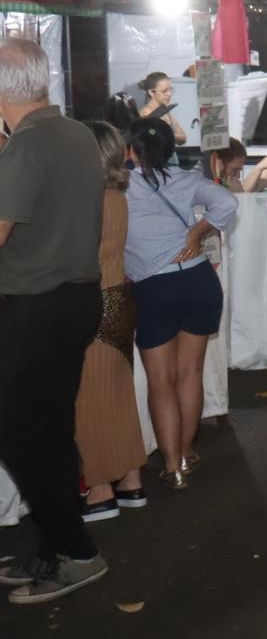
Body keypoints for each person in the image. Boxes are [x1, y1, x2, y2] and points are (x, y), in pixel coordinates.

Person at [0, 38, 110, 604]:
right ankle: (54, 546)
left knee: (22, 435)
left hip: (35, 305)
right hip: (75, 299)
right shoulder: (75, 133)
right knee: (48, 430)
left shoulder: (28, 144)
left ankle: (77, 551)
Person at [124, 118, 238, 487]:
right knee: (190, 374)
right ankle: (187, 454)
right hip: (199, 281)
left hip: (154, 287)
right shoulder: (187, 179)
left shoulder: (121, 186)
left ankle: (172, 466)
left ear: (132, 151)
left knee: (161, 381)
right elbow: (227, 202)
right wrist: (199, 230)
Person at [76, 123, 148, 522]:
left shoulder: (88, 200)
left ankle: (101, 490)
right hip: (119, 298)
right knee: (119, 395)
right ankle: (131, 481)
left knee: (90, 400)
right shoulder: (118, 194)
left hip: (95, 303)